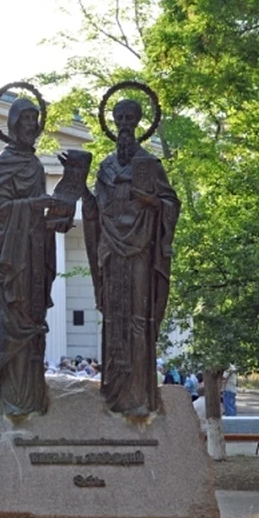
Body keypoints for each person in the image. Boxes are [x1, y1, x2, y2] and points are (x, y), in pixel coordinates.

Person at [82, 98, 180, 417]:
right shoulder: (107, 166)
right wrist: (81, 194)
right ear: (112, 123)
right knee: (113, 317)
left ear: (138, 122)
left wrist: (154, 202)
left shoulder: (150, 164)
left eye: (129, 117)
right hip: (112, 250)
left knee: (138, 318)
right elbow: (97, 209)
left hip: (139, 250)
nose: (124, 122)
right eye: (119, 117)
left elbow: (170, 203)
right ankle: (114, 389)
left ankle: (138, 393)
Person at [0, 96, 69, 417]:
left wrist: (57, 216)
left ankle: (33, 395)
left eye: (34, 122)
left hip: (36, 253)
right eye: (25, 121)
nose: (31, 128)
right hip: (15, 259)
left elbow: (36, 209)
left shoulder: (35, 164)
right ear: (12, 124)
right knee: (17, 318)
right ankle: (13, 396)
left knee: (35, 320)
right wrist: (34, 206)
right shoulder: (5, 161)